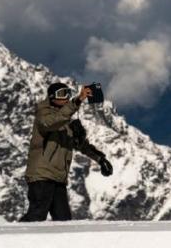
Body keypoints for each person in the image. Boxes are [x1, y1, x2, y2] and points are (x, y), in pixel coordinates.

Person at [19, 82, 113, 222]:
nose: (66, 98)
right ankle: (12, 240)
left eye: (68, 94)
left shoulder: (66, 122)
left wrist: (100, 159)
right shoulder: (44, 113)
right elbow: (51, 123)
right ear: (51, 97)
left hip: (58, 178)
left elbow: (82, 145)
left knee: (63, 221)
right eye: (62, 94)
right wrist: (77, 100)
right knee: (37, 215)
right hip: (42, 175)